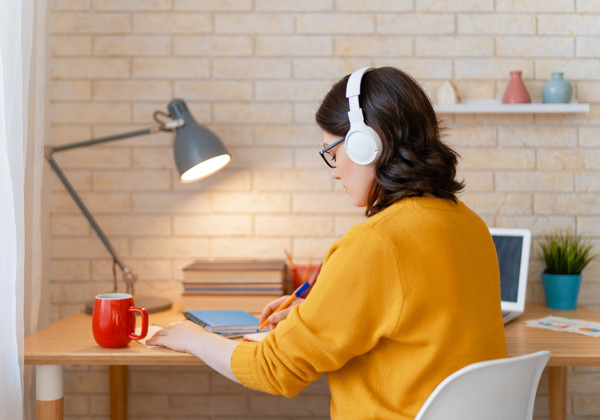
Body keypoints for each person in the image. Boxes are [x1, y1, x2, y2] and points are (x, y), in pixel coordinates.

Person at [147, 66, 507, 419]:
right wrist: (316, 314)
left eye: (332, 152)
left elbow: (274, 369)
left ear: (367, 144)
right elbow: (413, 320)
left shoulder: (375, 243)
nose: (334, 170)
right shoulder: (469, 224)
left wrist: (192, 337)